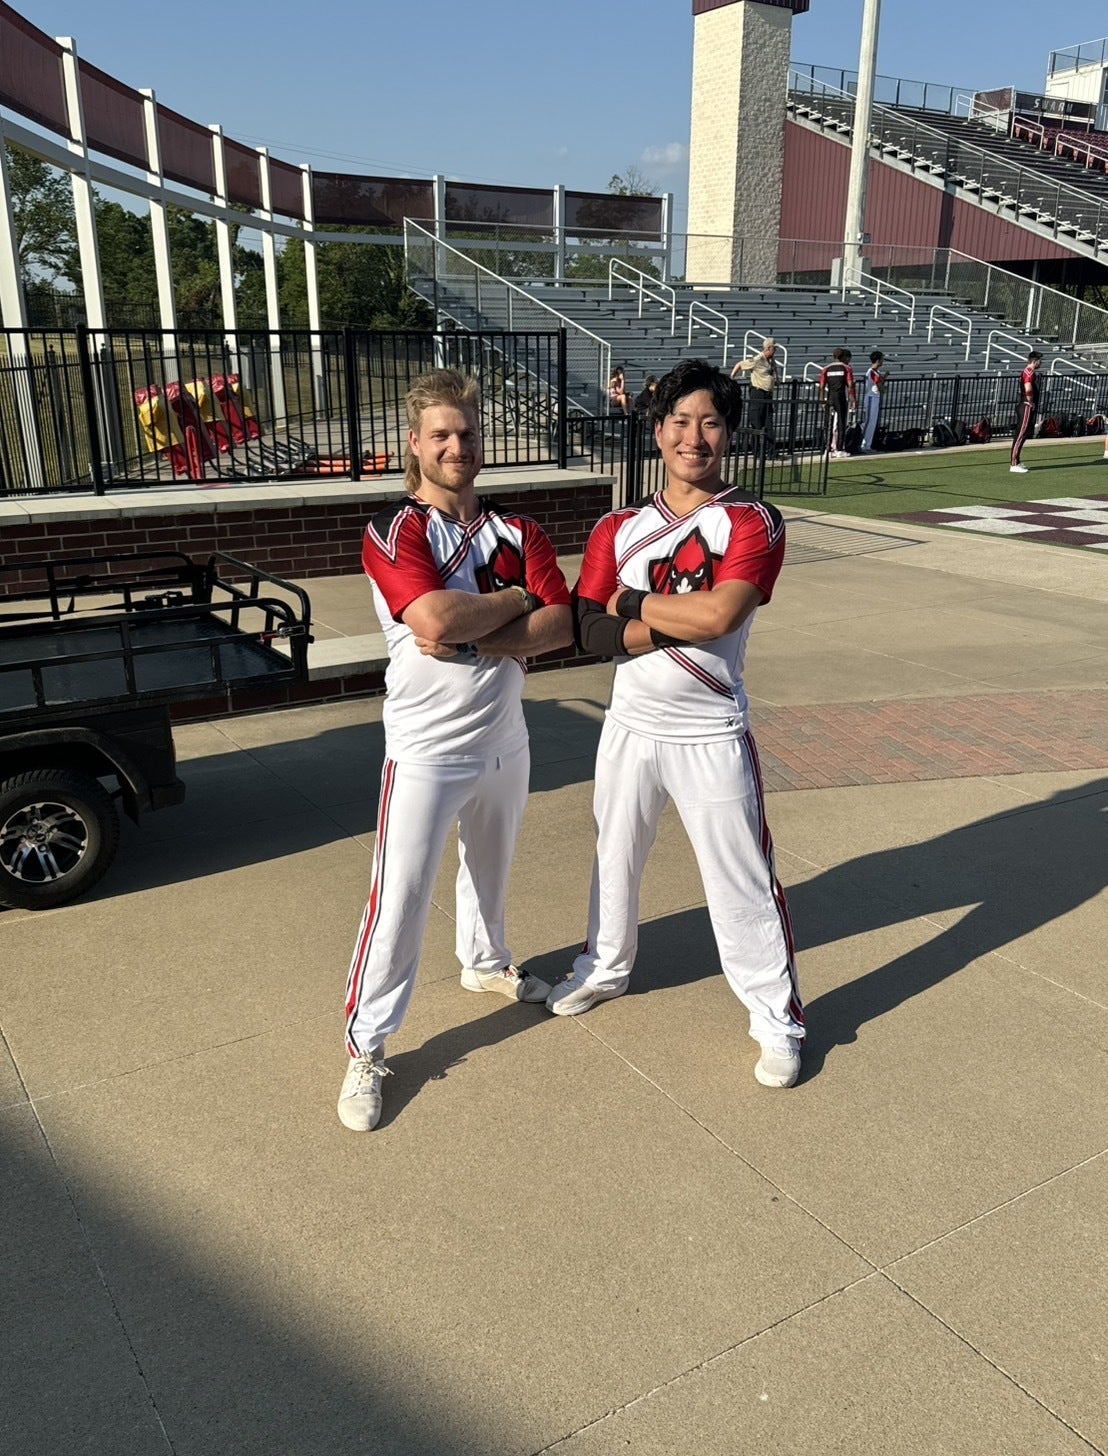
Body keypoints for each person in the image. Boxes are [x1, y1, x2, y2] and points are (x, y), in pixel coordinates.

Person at [546, 359, 805, 1089]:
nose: (695, 437)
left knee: (742, 879)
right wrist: (671, 617)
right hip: (629, 724)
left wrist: (632, 603)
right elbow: (587, 632)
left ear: (730, 433)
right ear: (657, 430)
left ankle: (776, 1018)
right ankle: (604, 967)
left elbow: (721, 615)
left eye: (711, 422)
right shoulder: (617, 525)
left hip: (710, 730)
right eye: (681, 421)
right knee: (614, 856)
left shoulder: (752, 519)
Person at [338, 369, 574, 1131]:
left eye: (466, 432)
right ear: (415, 443)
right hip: (426, 750)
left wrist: (484, 629)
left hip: (505, 738)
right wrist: (515, 602)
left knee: (492, 873)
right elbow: (434, 619)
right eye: (440, 434)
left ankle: (484, 962)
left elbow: (563, 625)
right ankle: (366, 1045)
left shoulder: (521, 531)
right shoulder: (396, 529)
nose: (456, 446)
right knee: (399, 901)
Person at [730, 337, 779, 453]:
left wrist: (777, 379)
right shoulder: (758, 359)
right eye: (774, 349)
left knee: (768, 423)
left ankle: (771, 452)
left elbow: (774, 370)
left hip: (768, 395)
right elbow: (740, 364)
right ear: (768, 348)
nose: (775, 351)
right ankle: (756, 451)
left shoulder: (771, 360)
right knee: (757, 424)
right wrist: (731, 378)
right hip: (758, 393)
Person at [819, 348, 857, 459]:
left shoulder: (826, 368)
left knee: (828, 423)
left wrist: (821, 400)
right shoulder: (846, 368)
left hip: (829, 397)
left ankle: (827, 449)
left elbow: (821, 386)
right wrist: (852, 398)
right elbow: (850, 384)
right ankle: (839, 449)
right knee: (841, 423)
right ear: (842, 357)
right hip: (840, 397)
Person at [1010, 350, 1042, 474]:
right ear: (1035, 361)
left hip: (1026, 406)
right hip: (1026, 406)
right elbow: (1028, 388)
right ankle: (1013, 464)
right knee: (1020, 435)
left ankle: (1017, 461)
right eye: (1039, 361)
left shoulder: (1029, 372)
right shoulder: (1029, 373)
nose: (1040, 363)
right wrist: (1030, 401)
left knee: (1024, 434)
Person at [859, 350, 885, 454]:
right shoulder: (871, 372)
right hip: (871, 397)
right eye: (882, 359)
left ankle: (867, 445)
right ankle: (863, 444)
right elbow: (878, 385)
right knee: (869, 421)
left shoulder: (876, 372)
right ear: (878, 360)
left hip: (875, 397)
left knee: (872, 422)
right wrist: (883, 389)